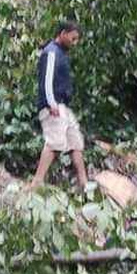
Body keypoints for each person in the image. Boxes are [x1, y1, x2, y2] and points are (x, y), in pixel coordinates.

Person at [30, 21, 88, 190]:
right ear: (63, 33)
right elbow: (47, 79)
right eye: (73, 38)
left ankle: (84, 183)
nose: (74, 43)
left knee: (76, 143)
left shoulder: (62, 53)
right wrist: (51, 103)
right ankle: (37, 182)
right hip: (53, 106)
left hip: (63, 106)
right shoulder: (51, 52)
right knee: (54, 143)